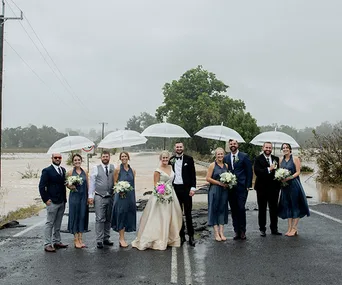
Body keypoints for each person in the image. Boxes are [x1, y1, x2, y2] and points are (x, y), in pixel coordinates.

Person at [132, 151, 183, 250]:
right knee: (160, 216)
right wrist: (162, 191)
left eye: (166, 158)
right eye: (163, 158)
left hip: (171, 194)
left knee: (172, 215)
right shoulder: (157, 170)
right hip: (160, 195)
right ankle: (158, 238)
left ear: (169, 159)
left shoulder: (171, 167)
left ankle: (169, 237)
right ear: (160, 159)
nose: (165, 159)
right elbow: (155, 184)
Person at [278, 143, 310, 236]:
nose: (285, 149)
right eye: (283, 148)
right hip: (285, 186)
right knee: (287, 206)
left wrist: (290, 177)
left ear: (290, 149)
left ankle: (294, 228)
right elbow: (280, 171)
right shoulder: (281, 160)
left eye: (287, 148)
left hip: (294, 184)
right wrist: (280, 177)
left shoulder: (295, 159)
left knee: (295, 205)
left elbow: (298, 171)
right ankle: (289, 228)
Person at [38, 153, 68, 252]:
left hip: (62, 200)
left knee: (58, 223)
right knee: (50, 223)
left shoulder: (63, 170)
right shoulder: (47, 171)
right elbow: (42, 186)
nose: (57, 159)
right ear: (52, 159)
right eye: (55, 158)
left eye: (59, 158)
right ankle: (47, 244)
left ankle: (57, 241)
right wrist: (46, 199)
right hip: (52, 201)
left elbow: (64, 184)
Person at [223, 139, 253, 240]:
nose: (233, 145)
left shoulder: (244, 156)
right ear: (229, 145)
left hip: (242, 187)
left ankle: (243, 231)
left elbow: (249, 171)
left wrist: (248, 185)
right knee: (234, 210)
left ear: (238, 145)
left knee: (241, 208)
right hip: (230, 188)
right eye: (231, 144)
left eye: (234, 144)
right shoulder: (226, 157)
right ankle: (236, 231)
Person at [169, 142, 196, 246]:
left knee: (188, 213)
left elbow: (193, 175)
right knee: (178, 214)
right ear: (175, 148)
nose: (179, 148)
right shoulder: (171, 160)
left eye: (180, 147)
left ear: (183, 148)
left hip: (187, 189)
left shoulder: (189, 159)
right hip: (175, 189)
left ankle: (191, 236)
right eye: (177, 147)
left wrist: (193, 188)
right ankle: (181, 236)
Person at [254, 142, 282, 237]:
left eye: (270, 147)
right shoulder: (258, 159)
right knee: (262, 209)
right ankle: (262, 229)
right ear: (263, 148)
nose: (268, 149)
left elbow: (278, 171)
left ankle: (274, 229)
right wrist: (269, 169)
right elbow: (258, 172)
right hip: (261, 188)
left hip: (274, 189)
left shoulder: (276, 159)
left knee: (274, 209)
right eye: (266, 147)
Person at [88, 150, 115, 249]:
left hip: (111, 196)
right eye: (103, 156)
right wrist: (90, 196)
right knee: (100, 218)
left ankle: (106, 238)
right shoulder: (96, 168)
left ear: (109, 157)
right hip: (99, 196)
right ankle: (99, 240)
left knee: (108, 218)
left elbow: (115, 180)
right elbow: (92, 183)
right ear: (101, 158)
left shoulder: (113, 167)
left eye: (107, 156)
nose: (105, 158)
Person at [111, 151, 136, 248]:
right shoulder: (117, 169)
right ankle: (121, 238)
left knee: (128, 214)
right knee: (121, 214)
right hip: (121, 196)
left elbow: (133, 184)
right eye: (122, 156)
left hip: (130, 196)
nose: (124, 158)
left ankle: (124, 236)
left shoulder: (133, 170)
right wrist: (119, 191)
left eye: (125, 156)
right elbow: (115, 183)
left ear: (128, 157)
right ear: (120, 158)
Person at [206, 147, 229, 241]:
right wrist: (219, 183)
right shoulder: (212, 165)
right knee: (214, 209)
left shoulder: (226, 166)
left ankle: (222, 232)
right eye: (218, 154)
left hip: (224, 190)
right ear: (215, 155)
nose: (220, 156)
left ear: (224, 155)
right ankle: (216, 233)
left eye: (221, 154)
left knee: (222, 209)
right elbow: (208, 178)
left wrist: (228, 182)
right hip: (215, 189)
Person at [66, 154, 89, 248]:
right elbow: (67, 184)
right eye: (75, 160)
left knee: (82, 216)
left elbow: (88, 184)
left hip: (83, 196)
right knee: (75, 216)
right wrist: (71, 186)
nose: (77, 161)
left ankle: (80, 238)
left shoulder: (85, 171)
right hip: (74, 197)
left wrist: (89, 197)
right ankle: (75, 239)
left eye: (78, 160)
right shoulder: (70, 172)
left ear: (81, 160)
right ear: (73, 162)